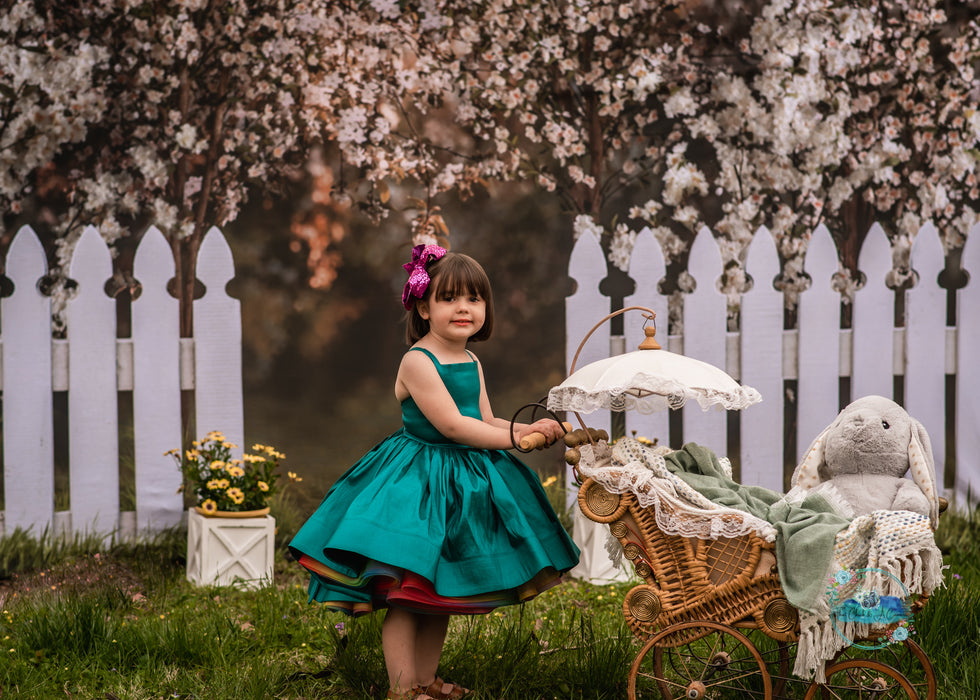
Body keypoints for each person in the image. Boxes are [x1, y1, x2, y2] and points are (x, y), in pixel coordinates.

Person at [289, 245, 580, 700]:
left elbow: (483, 418)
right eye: (449, 298)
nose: (463, 308)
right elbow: (451, 425)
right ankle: (402, 689)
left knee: (438, 593)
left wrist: (527, 426)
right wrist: (515, 442)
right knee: (408, 592)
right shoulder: (418, 361)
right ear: (424, 306)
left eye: (474, 299)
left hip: (460, 484)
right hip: (419, 484)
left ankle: (427, 681)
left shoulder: (471, 360)